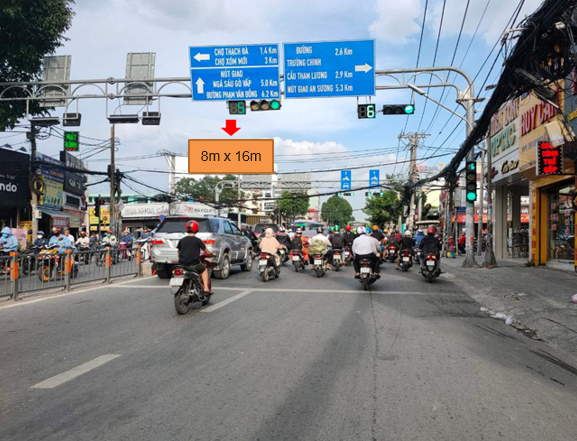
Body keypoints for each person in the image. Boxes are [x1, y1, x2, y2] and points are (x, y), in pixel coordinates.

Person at [177, 220, 215, 295]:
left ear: (187, 229)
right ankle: (206, 289)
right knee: (204, 269)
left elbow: (178, 252)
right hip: (194, 264)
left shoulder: (182, 240)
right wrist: (212, 254)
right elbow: (207, 252)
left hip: (182, 265)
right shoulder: (198, 241)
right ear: (197, 230)